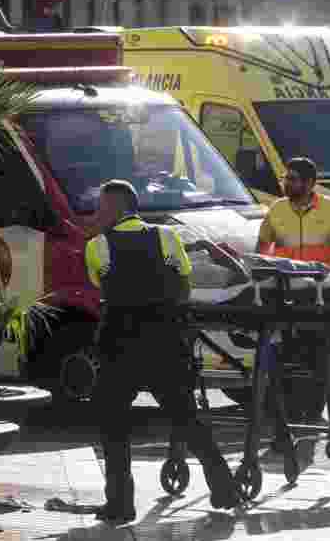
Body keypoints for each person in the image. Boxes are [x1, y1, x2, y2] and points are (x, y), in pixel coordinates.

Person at [85, 179, 239, 524]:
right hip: (165, 342)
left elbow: (102, 286)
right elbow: (184, 283)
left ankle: (121, 505)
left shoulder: (98, 246)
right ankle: (224, 487)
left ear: (115, 209)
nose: (97, 214)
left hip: (119, 345)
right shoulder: (167, 237)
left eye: (101, 207)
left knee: (114, 424)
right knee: (186, 416)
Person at [255, 157, 330, 423]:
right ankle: (287, 413)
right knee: (286, 355)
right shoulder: (276, 210)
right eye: (285, 178)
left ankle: (312, 412)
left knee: (317, 356)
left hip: (319, 296)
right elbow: (261, 249)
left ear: (310, 183)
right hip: (285, 295)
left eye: (292, 179)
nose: (286, 184)